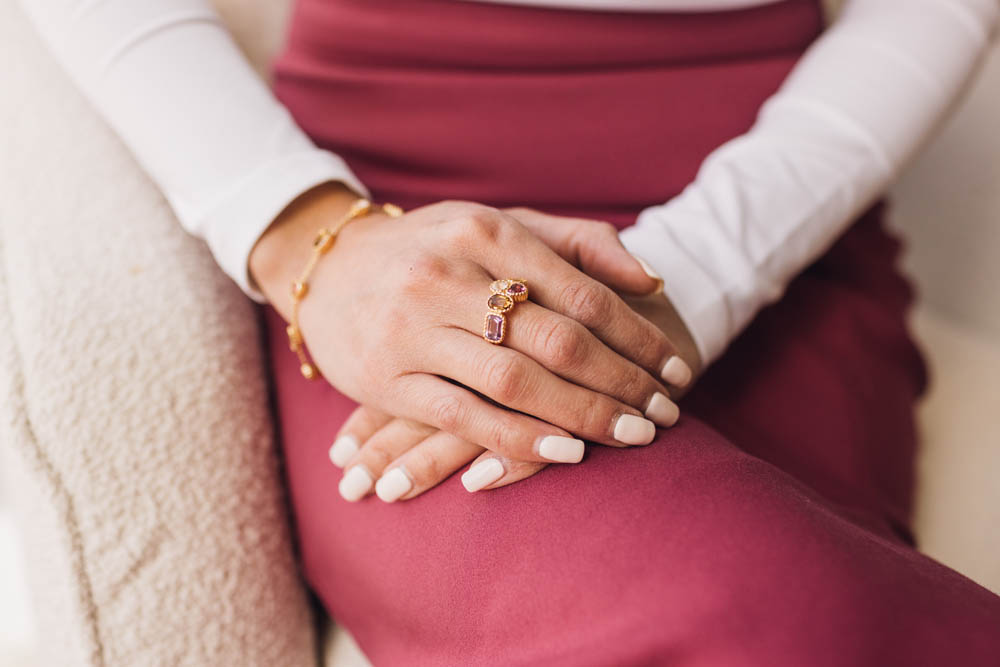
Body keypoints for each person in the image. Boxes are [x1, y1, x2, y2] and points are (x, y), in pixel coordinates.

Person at [22, 0, 1000, 664]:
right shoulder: (364, 258)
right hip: (394, 227)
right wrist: (305, 237)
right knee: (774, 612)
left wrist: (702, 272)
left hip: (779, 210)